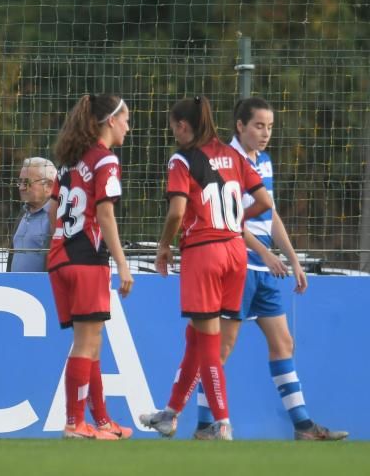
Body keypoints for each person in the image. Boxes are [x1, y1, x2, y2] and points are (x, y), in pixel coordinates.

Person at [191, 98, 347, 440]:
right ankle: (205, 425)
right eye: (259, 126)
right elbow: (229, 222)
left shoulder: (263, 162)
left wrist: (292, 260)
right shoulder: (223, 162)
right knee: (221, 348)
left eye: (270, 127)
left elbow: (270, 214)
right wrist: (266, 253)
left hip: (264, 270)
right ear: (240, 126)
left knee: (283, 343)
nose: (265, 134)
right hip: (237, 266)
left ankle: (303, 426)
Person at [141, 96, 273, 441]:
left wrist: (164, 246)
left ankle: (222, 423)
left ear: (183, 126)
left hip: (205, 253)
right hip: (235, 253)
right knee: (197, 339)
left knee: (209, 344)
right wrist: (232, 220)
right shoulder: (233, 155)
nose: (173, 133)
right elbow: (264, 202)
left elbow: (175, 212)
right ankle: (170, 415)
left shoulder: (182, 159)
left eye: (173, 127)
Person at [46, 94, 134, 440]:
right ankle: (73, 423)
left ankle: (101, 422)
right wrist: (123, 263)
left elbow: (55, 210)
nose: (129, 126)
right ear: (110, 121)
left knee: (91, 343)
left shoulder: (69, 162)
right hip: (87, 259)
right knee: (87, 342)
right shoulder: (105, 160)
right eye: (126, 119)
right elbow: (105, 213)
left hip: (60, 257)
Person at [7, 156, 56, 273]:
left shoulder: (57, 218)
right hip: (14, 289)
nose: (21, 187)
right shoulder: (22, 215)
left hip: (42, 289)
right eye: (20, 182)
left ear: (49, 186)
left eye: (27, 183)